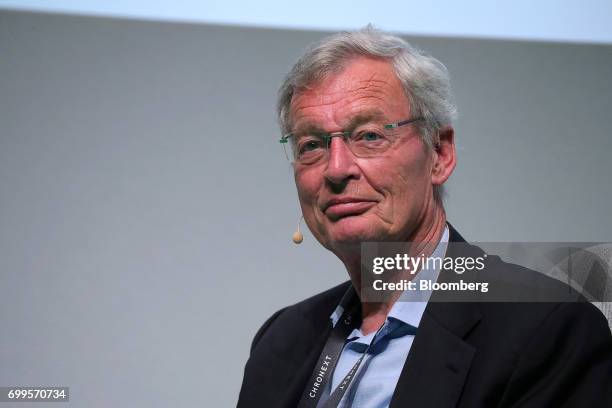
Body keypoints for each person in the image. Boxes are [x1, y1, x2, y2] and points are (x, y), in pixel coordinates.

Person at [237, 27, 612, 407]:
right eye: (312, 145)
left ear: (440, 154)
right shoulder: (281, 341)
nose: (336, 169)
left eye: (368, 136)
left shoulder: (546, 327)